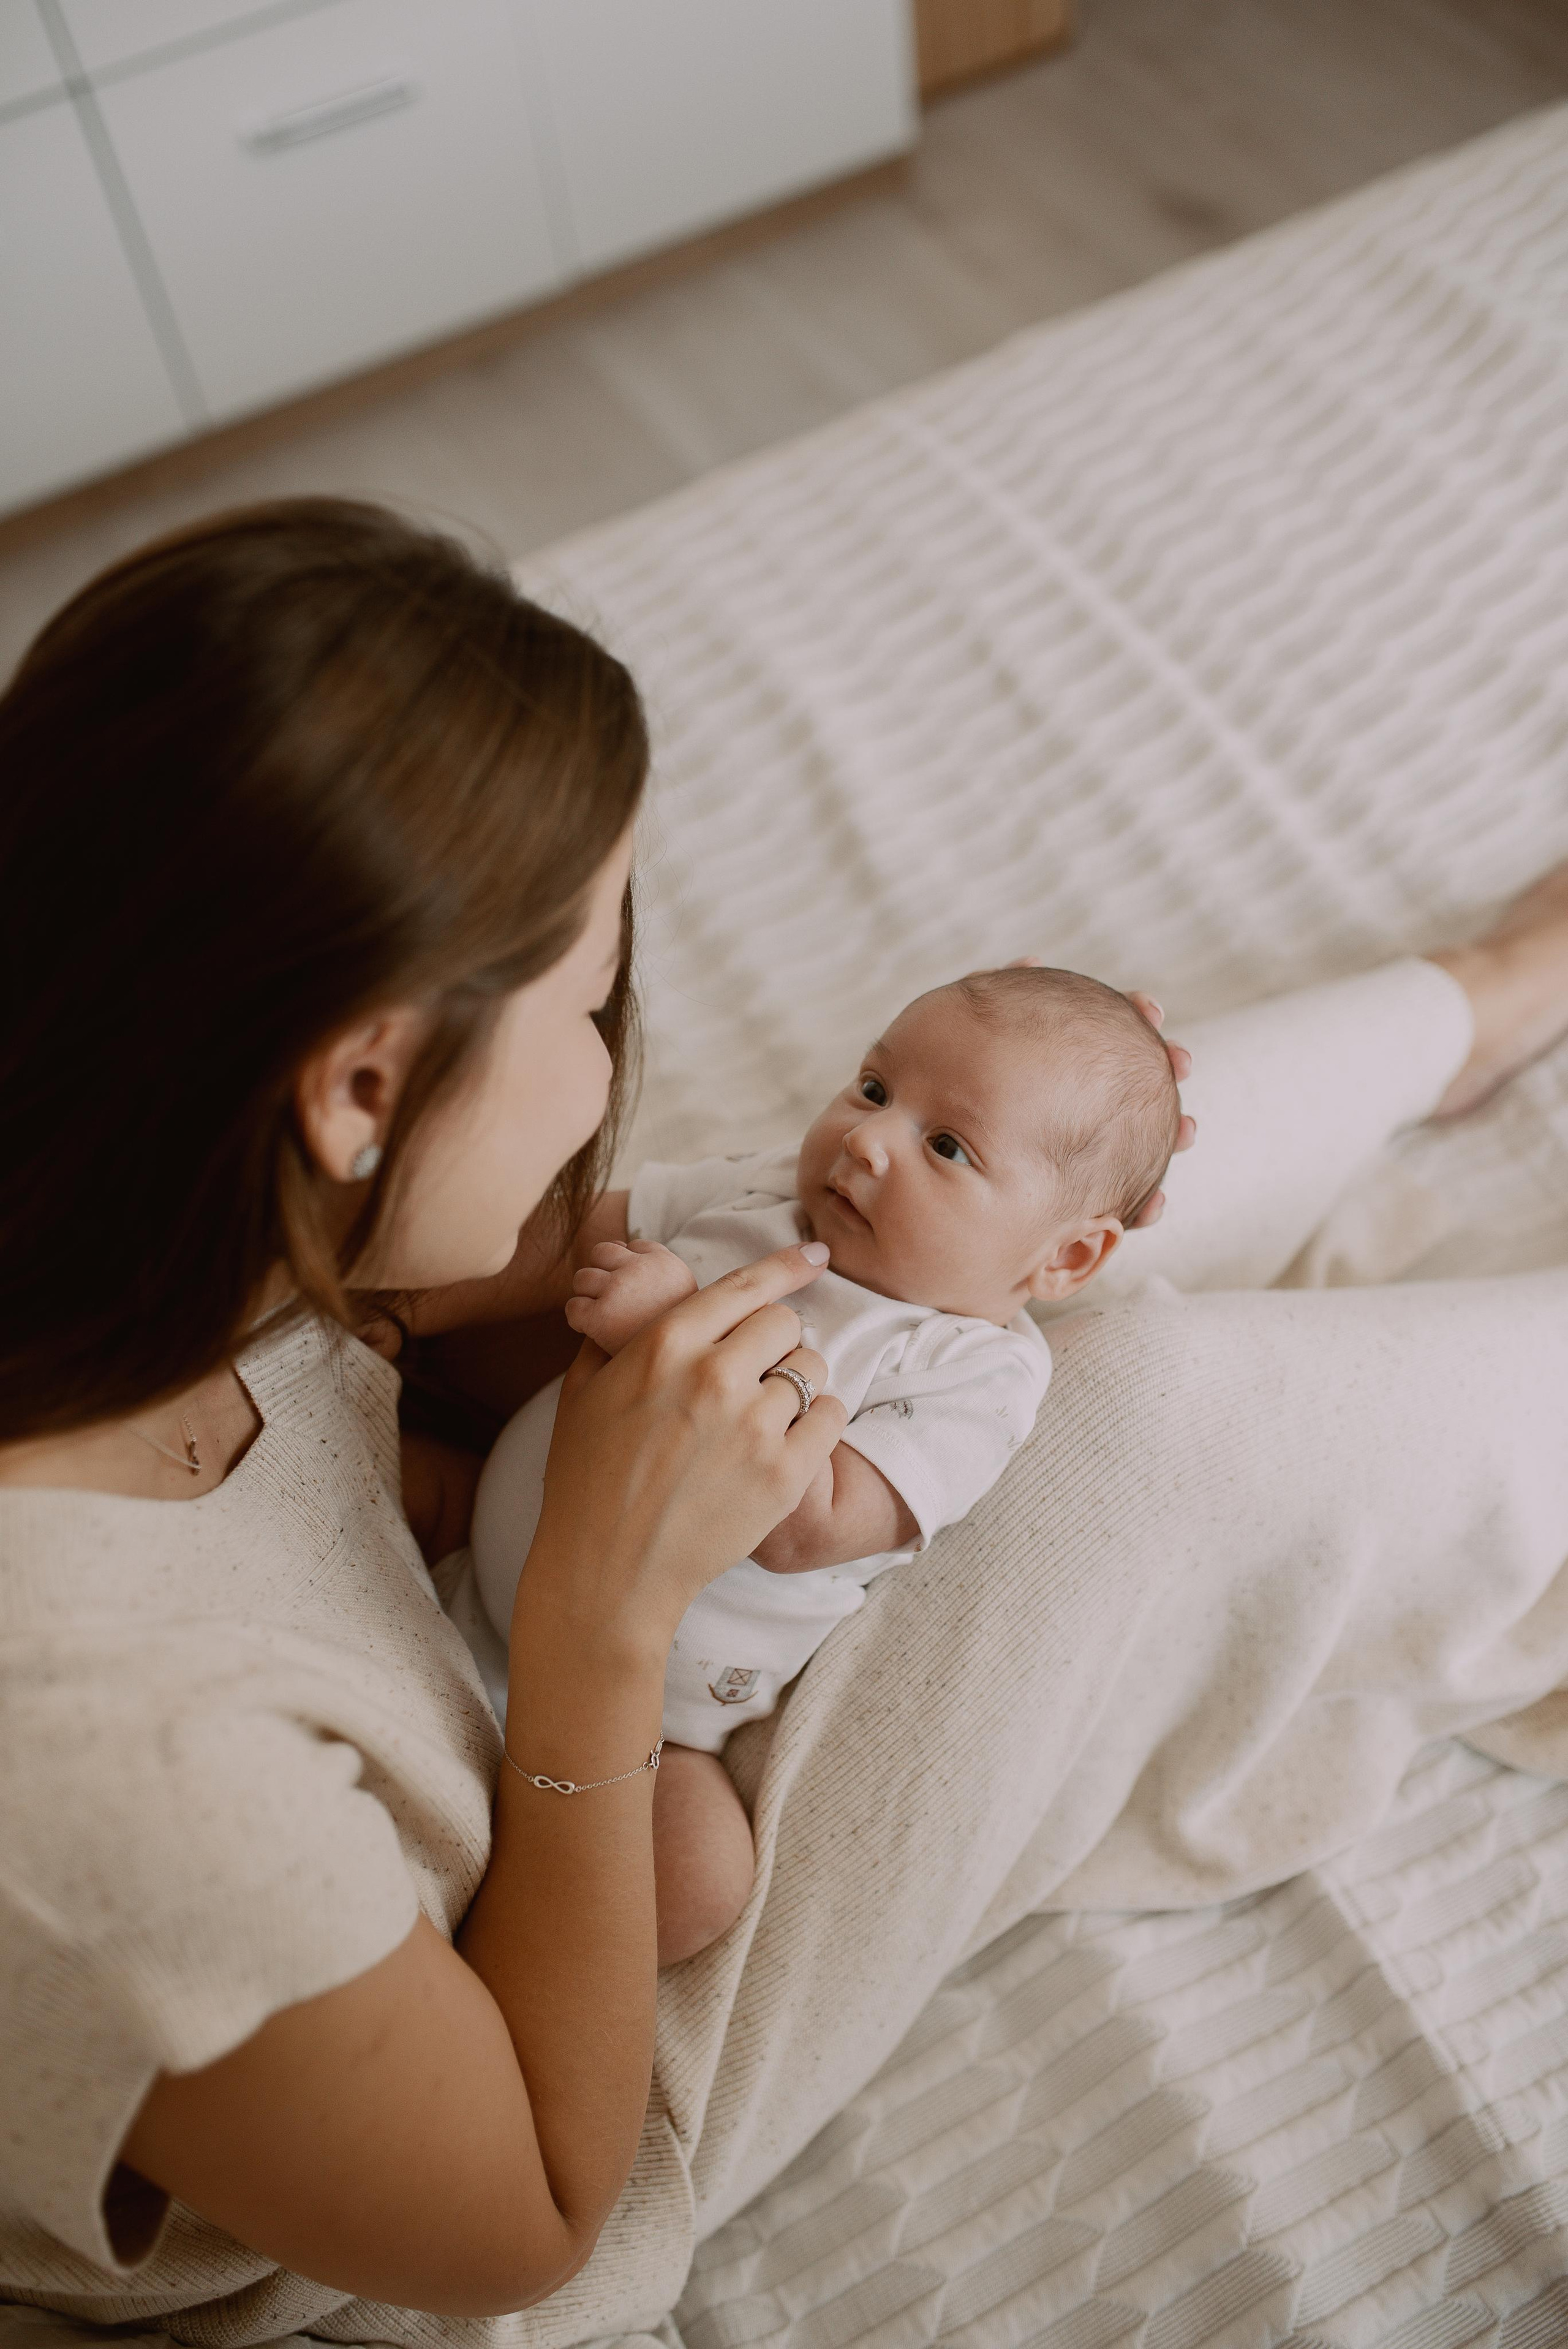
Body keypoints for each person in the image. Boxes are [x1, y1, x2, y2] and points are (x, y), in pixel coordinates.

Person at [1, 500, 1566, 2349]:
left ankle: (1463, 1015)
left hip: (506, 1626)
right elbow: (532, 2224)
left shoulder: (113, 1157)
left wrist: (635, 1287)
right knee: (1127, 1424)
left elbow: (370, 1336)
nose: (607, 1063)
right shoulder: (112, 1779)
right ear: (358, 1085)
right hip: (511, 2073)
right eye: (589, 1004)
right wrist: (597, 1616)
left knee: (954, 1242)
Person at [467, 966, 1183, 1964]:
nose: (869, 1138)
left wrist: (664, 1332)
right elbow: (565, 1229)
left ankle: (519, 1947)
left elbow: (810, 1524)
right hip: (471, 1546)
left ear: (1063, 1260)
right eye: (874, 1087)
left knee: (702, 1881)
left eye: (946, 1146)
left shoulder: (973, 1371)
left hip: (653, 1720)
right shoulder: (771, 1193)